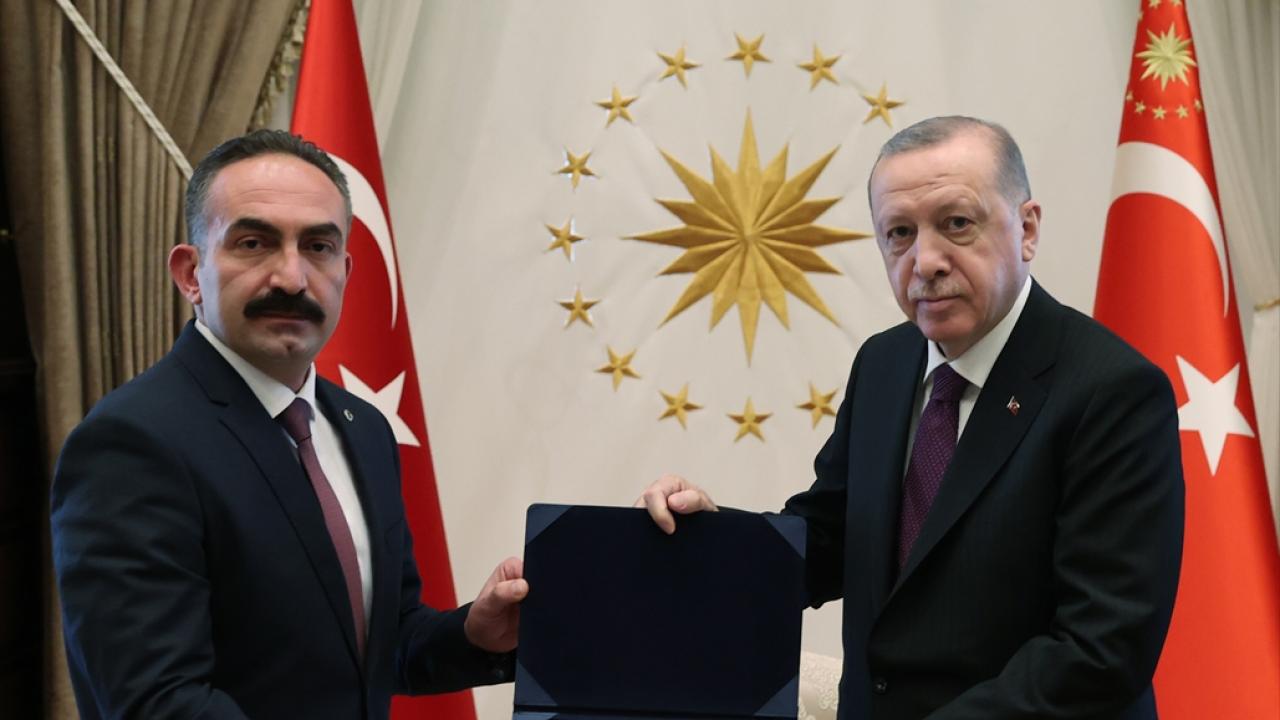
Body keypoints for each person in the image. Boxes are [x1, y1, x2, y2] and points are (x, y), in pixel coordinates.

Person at [639, 116, 1183, 719]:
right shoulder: (885, 362)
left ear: (1026, 229)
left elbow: (1100, 652)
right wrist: (709, 540)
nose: (925, 261)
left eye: (957, 223)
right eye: (899, 233)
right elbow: (831, 536)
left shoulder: (1113, 392)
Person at [51, 129, 527, 720]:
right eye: (254, 243)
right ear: (191, 273)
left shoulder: (363, 429)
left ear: (345, 271)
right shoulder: (131, 444)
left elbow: (381, 645)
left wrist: (474, 634)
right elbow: (158, 702)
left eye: (318, 247)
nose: (292, 278)